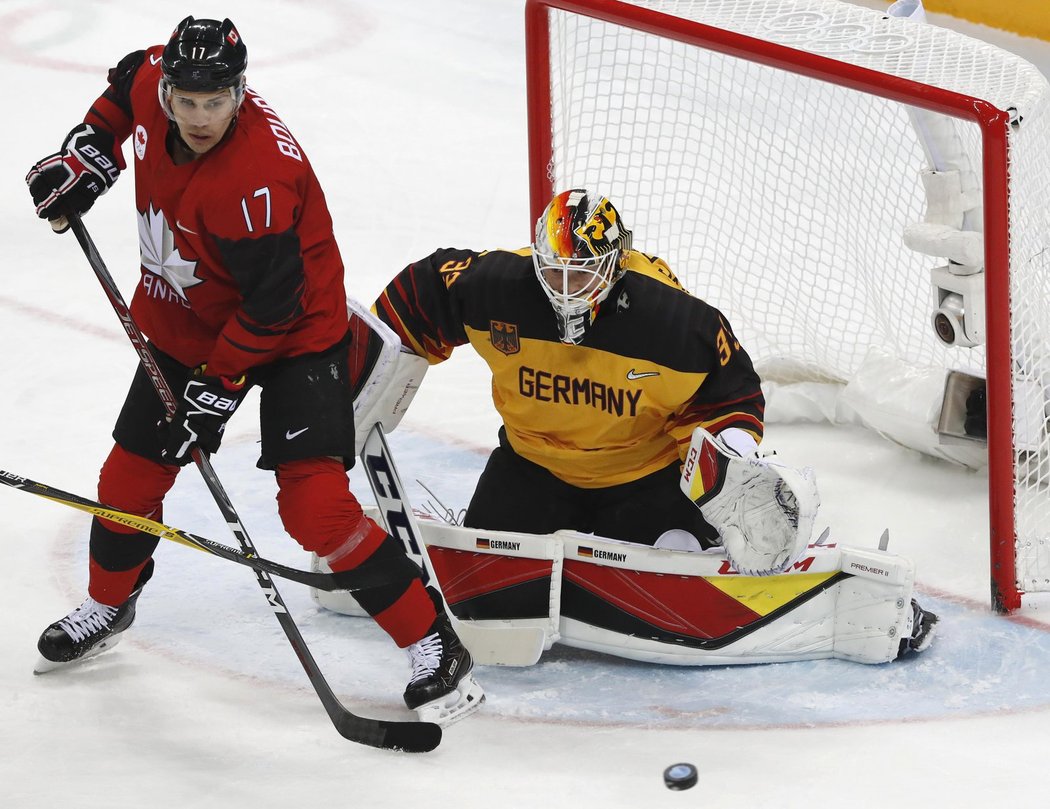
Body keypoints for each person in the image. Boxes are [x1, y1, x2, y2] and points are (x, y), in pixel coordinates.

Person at [24, 16, 482, 724]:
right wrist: (87, 154)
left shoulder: (256, 179)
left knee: (314, 507)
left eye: (217, 101)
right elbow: (122, 85)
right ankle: (109, 603)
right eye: (187, 100)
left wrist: (220, 385)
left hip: (296, 333)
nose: (200, 116)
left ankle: (433, 640)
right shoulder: (154, 80)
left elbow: (275, 304)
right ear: (170, 88)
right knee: (129, 477)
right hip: (189, 315)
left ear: (241, 91)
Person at [370, 188, 938, 656]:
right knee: (486, 599)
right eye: (555, 272)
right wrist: (361, 375)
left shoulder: (673, 320)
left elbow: (732, 395)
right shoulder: (499, 286)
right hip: (534, 466)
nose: (567, 290)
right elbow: (415, 299)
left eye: (584, 274)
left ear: (615, 264)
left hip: (643, 476)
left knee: (676, 561)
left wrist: (732, 465)